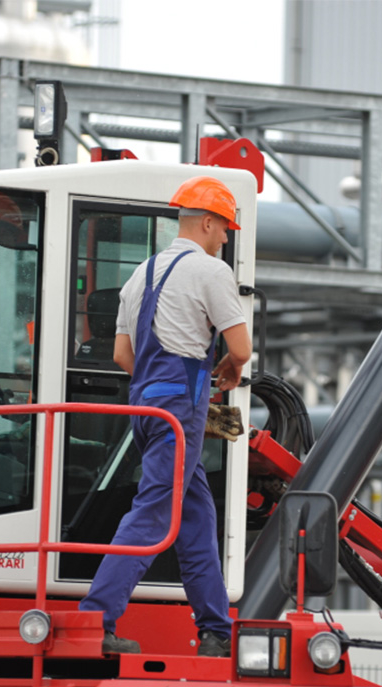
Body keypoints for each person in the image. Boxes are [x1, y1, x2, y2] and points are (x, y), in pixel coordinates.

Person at [78, 176, 252, 658]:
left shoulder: (141, 274)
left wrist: (161, 385)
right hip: (179, 411)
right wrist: (229, 367)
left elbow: (122, 355)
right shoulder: (210, 271)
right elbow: (241, 347)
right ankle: (95, 620)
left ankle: (216, 631)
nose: (225, 238)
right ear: (208, 222)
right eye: (225, 228)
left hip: (146, 405)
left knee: (195, 517)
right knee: (154, 513)